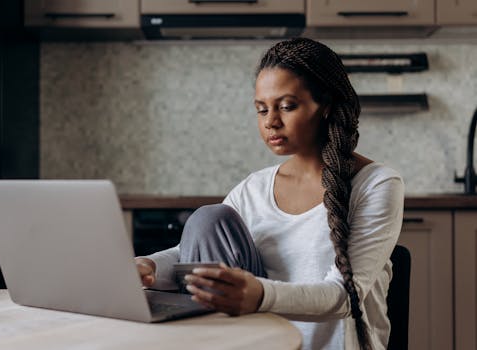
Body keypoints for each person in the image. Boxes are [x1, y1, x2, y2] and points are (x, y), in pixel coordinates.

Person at [135, 38, 404, 350]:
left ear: (326, 105)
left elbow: (345, 295)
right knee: (209, 219)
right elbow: (188, 255)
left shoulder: (377, 184)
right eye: (262, 109)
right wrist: (148, 266)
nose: (271, 122)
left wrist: (260, 296)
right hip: (260, 343)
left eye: (287, 106)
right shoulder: (254, 188)